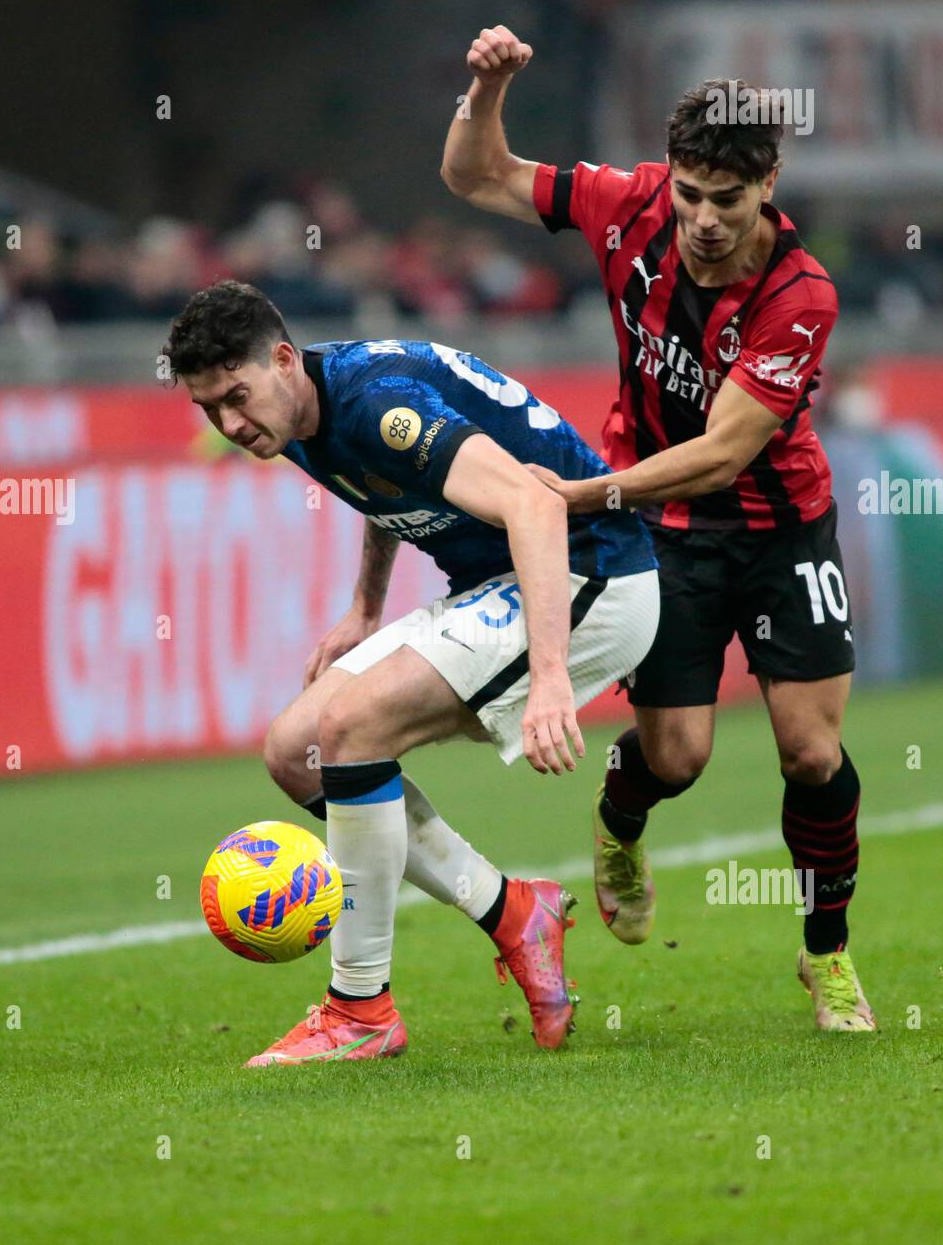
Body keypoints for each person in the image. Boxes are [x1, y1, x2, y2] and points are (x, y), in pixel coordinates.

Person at [441, 26, 875, 1032]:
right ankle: (620, 819)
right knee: (674, 756)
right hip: (665, 533)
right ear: (669, 177)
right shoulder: (624, 202)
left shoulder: (800, 294)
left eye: (727, 200)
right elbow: (476, 176)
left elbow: (725, 454)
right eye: (689, 195)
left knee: (810, 753)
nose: (703, 220)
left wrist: (572, 497)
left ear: (769, 183)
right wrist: (486, 88)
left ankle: (828, 955)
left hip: (780, 530)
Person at [163, 279, 659, 1063]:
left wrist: (553, 674)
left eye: (235, 397)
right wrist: (367, 605)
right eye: (208, 410)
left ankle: (359, 1009)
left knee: (352, 727)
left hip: (591, 577)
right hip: (505, 582)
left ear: (284, 359)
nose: (229, 423)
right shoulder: (296, 410)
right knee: (297, 750)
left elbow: (536, 506)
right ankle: (514, 913)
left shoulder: (376, 404)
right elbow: (380, 489)